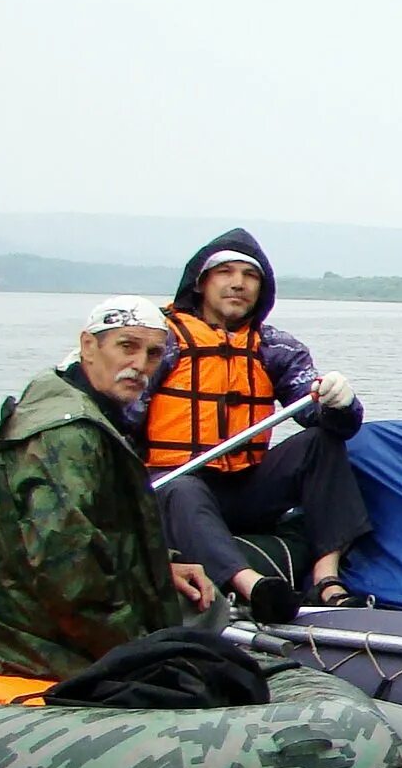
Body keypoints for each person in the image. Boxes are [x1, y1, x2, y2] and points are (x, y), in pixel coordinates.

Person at [0, 299, 216, 694]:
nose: (141, 364)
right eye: (127, 346)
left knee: (205, 622)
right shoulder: (68, 436)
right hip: (24, 645)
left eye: (153, 353)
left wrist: (160, 566)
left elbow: (100, 530)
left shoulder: (86, 411)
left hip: (38, 626)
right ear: (89, 346)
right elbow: (68, 574)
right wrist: (142, 651)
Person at [134, 228, 371, 617]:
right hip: (173, 487)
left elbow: (323, 417)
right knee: (183, 489)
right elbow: (120, 413)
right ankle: (254, 587)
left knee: (320, 441)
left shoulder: (274, 347)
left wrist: (340, 404)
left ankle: (327, 579)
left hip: (243, 487)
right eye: (225, 272)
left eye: (250, 276)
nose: (238, 284)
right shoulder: (162, 342)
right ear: (202, 282)